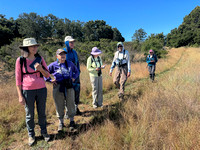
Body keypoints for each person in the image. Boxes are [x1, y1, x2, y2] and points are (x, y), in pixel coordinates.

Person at [15, 38, 50, 146]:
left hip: (41, 89)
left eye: (35, 46)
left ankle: (44, 131)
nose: (35, 48)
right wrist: (20, 96)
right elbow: (18, 79)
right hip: (27, 90)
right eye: (32, 46)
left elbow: (47, 75)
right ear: (26, 48)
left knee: (42, 112)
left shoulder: (39, 58)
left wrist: (40, 69)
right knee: (29, 114)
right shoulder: (20, 60)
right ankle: (31, 134)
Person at [45, 49, 79, 132]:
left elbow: (77, 71)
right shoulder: (53, 65)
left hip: (69, 86)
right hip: (58, 86)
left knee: (70, 103)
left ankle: (71, 121)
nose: (63, 56)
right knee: (59, 104)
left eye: (64, 54)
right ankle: (61, 122)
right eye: (60, 54)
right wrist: (50, 80)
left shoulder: (70, 63)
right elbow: (45, 73)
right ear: (57, 56)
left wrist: (74, 77)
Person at [63, 36, 82, 115]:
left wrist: (77, 73)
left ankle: (76, 108)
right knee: (68, 94)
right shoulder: (63, 52)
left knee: (77, 92)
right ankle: (68, 112)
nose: (72, 43)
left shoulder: (74, 52)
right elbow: (61, 65)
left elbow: (77, 64)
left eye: (73, 42)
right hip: (67, 77)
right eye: (70, 42)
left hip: (76, 76)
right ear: (67, 43)